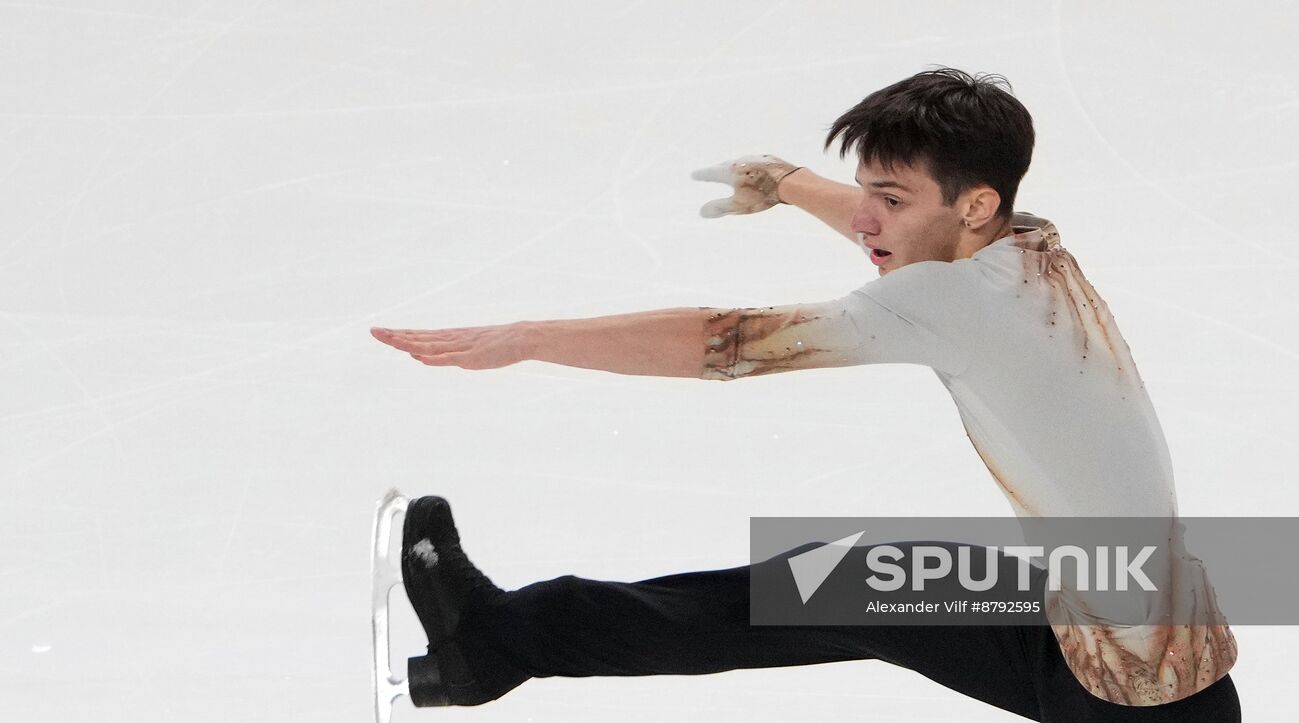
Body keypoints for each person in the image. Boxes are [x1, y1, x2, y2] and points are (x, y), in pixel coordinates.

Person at [370, 67, 1241, 721]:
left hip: (1135, 698)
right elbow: (914, 239)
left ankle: (492, 645)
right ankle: (491, 645)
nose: (865, 218)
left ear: (975, 205)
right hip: (1110, 632)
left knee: (831, 590)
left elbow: (723, 343)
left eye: (888, 198)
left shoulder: (955, 301)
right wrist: (788, 182)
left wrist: (529, 339)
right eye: (865, 192)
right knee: (839, 585)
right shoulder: (1021, 244)